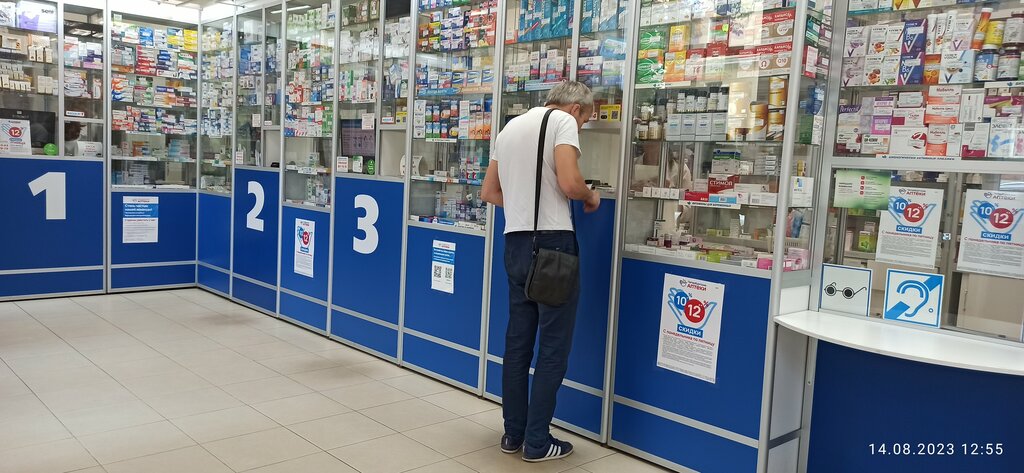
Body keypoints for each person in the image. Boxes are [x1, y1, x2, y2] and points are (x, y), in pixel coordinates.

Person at [481, 81, 600, 462]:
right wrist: (590, 195)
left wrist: (521, 204)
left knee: (517, 345)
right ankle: (537, 441)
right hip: (553, 248)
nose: (580, 128)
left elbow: (489, 192)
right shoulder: (562, 123)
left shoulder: (510, 127)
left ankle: (512, 434)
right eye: (585, 120)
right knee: (552, 349)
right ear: (576, 109)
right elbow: (569, 183)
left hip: (515, 245)